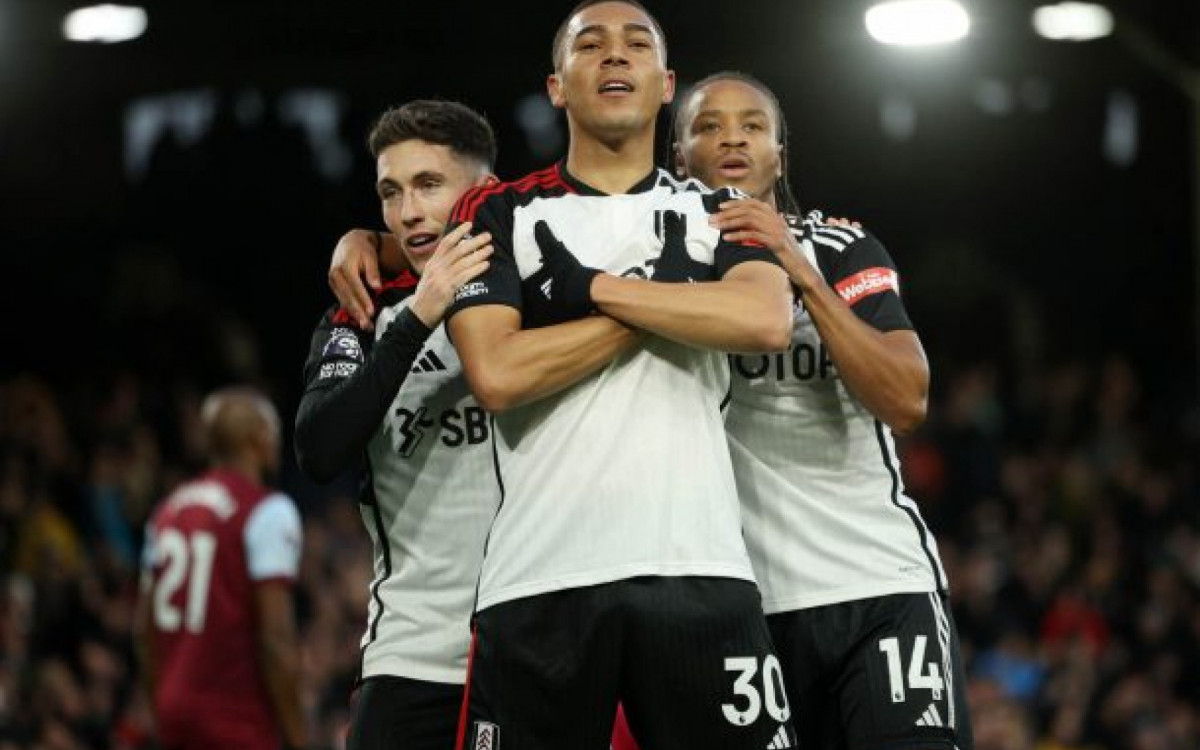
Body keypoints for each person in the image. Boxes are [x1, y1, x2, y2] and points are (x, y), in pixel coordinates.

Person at [440, 2, 795, 749]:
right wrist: (675, 303)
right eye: (590, 45)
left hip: (700, 566)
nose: (614, 56)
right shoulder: (497, 210)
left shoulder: (722, 207)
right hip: (539, 576)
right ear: (556, 86)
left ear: (666, 85)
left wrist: (591, 288)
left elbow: (763, 320)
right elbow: (497, 372)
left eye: (637, 45)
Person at [673, 71, 974, 750]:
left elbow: (906, 399)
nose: (732, 139)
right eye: (709, 126)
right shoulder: (663, 270)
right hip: (741, 606)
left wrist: (797, 268)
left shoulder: (840, 249)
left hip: (878, 585)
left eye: (752, 126)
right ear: (678, 159)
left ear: (779, 156)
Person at [293, 100, 504, 750]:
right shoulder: (361, 313)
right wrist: (417, 317)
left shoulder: (538, 287)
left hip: (533, 646)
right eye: (391, 192)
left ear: (485, 190)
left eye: (429, 185)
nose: (409, 210)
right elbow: (319, 447)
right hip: (412, 653)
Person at [134, 387, 307, 750]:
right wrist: (298, 737)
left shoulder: (166, 512)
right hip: (237, 719)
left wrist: (161, 707)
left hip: (173, 715)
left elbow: (143, 632)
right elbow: (276, 640)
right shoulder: (268, 511)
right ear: (257, 439)